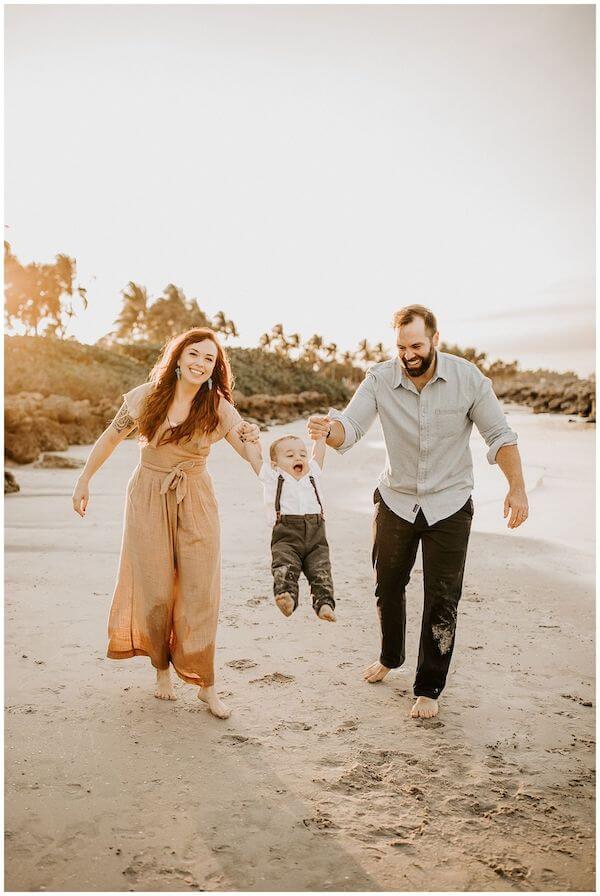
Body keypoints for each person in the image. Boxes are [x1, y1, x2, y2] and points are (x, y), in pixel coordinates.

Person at [307, 305, 529, 720]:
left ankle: (428, 687)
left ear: (435, 340)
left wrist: (517, 488)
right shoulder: (380, 378)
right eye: (401, 346)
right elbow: (349, 429)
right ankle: (391, 656)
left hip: (450, 501)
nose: (408, 354)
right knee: (387, 585)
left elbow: (499, 435)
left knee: (442, 599)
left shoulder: (468, 379)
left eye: (416, 345)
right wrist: (328, 429)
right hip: (396, 499)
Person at [71, 327, 259, 719]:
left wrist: (274, 480)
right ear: (178, 357)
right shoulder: (146, 397)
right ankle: (161, 669)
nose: (200, 363)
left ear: (214, 369)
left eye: (209, 359)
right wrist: (84, 479)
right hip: (148, 495)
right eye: (194, 354)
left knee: (199, 590)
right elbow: (110, 436)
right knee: (155, 587)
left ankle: (206, 685)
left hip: (195, 497)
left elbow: (247, 448)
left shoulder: (219, 406)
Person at [242, 431, 336, 622]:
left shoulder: (313, 473)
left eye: (302, 454)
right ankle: (287, 597)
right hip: (286, 535)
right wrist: (249, 440)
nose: (298, 457)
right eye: (290, 455)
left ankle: (324, 603)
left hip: (316, 534)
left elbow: (318, 454)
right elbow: (256, 460)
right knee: (284, 565)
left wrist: (320, 438)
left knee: (321, 569)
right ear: (275, 464)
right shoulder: (273, 476)